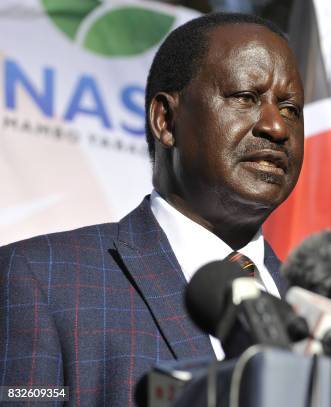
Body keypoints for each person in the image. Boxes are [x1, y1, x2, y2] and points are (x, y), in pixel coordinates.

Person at [0, 13, 304, 406]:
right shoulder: (40, 278)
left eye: (290, 109)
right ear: (166, 120)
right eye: (246, 98)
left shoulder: (325, 312)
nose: (276, 127)